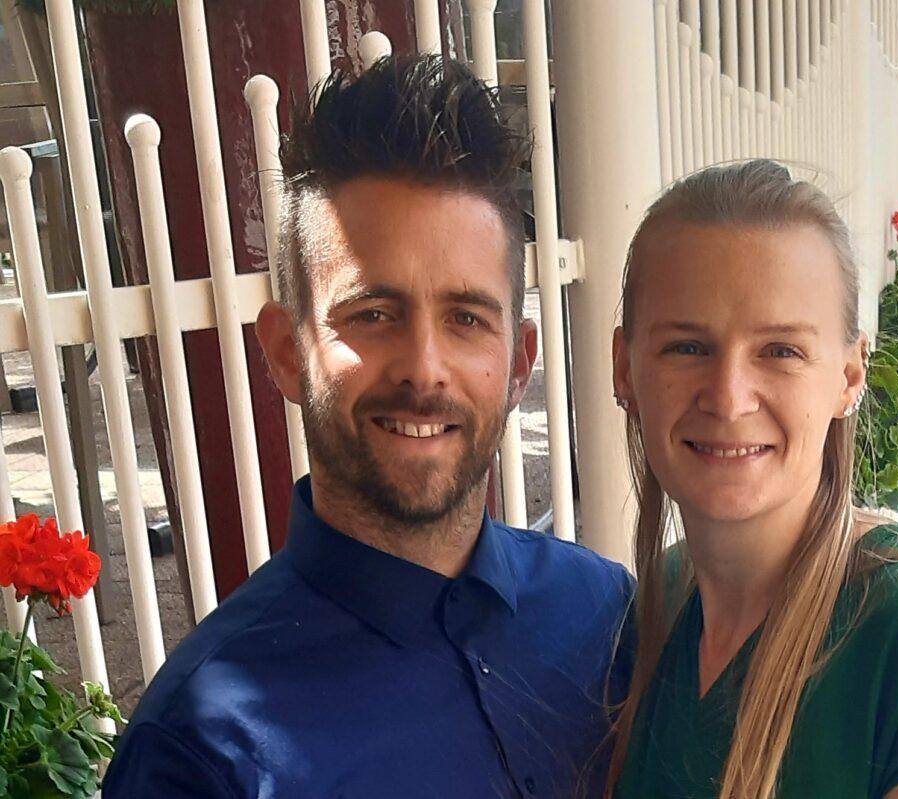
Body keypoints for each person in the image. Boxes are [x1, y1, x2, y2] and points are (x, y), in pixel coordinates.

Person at [103, 54, 634, 798]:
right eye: (374, 314)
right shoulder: (201, 750)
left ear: (518, 362)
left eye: (466, 318)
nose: (424, 370)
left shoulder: (604, 613)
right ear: (286, 353)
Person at [606, 160, 898, 798]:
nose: (729, 397)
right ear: (624, 368)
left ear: (850, 376)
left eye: (781, 351)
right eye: (687, 347)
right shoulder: (657, 607)